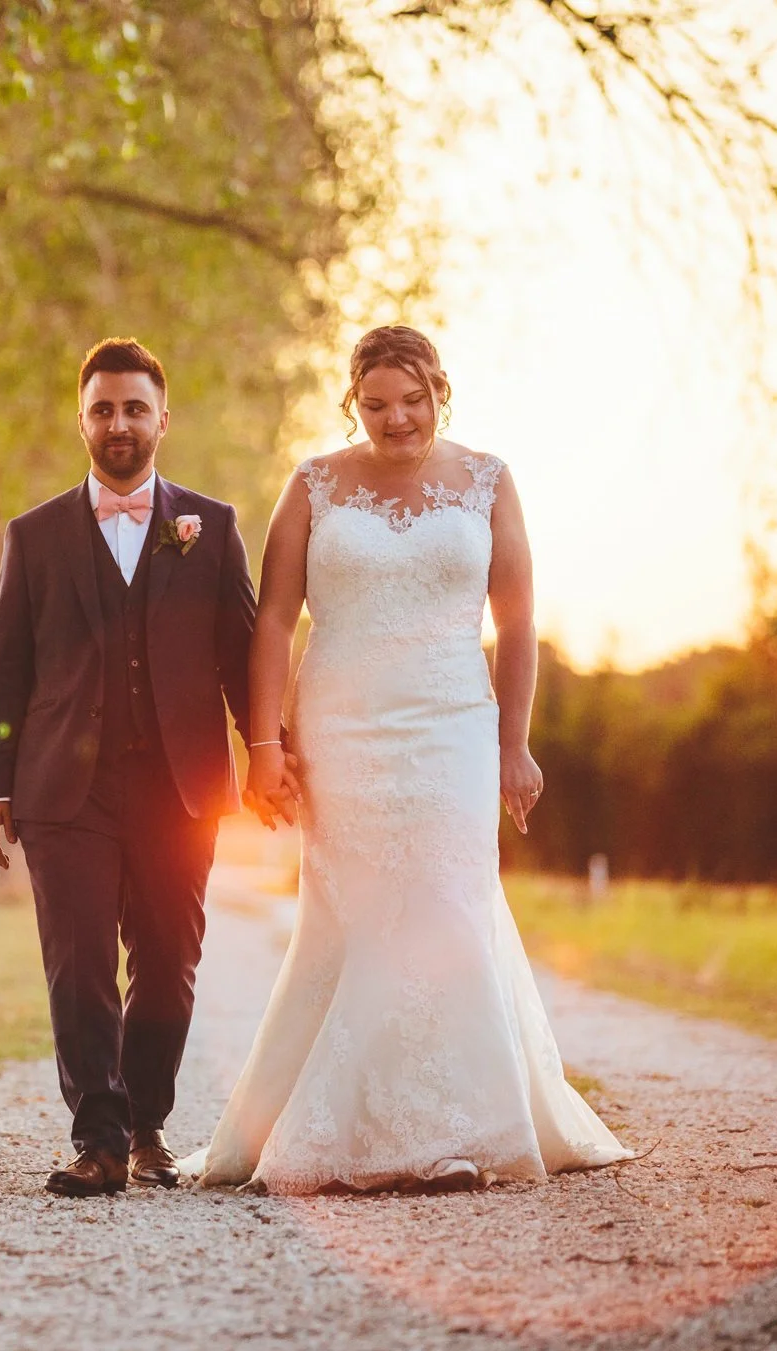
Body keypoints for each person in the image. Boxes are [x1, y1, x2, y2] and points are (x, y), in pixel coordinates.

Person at [181, 325, 632, 1192]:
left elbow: (518, 622)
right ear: (353, 402)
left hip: (453, 725)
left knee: (446, 902)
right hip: (342, 729)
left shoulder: (490, 480)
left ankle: (452, 1126)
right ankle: (354, 1125)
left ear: (440, 392)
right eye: (377, 404)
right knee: (357, 913)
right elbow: (272, 620)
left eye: (414, 400)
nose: (397, 419)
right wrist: (266, 745)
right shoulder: (313, 484)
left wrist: (515, 743)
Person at [0, 338, 291, 1197]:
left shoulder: (211, 527)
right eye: (104, 409)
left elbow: (241, 657)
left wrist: (268, 751)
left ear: (162, 418)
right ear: (81, 420)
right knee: (78, 965)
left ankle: (147, 1123)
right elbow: (6, 668)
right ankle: (100, 1141)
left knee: (168, 964)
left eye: (134, 408)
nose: (120, 423)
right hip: (62, 788)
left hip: (178, 787)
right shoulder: (34, 536)